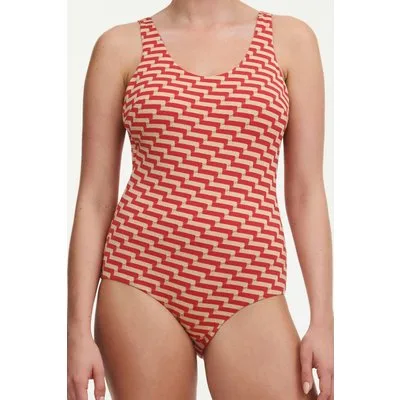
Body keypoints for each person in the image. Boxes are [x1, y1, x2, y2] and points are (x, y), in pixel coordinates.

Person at [67, 1, 334, 399]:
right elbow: (94, 196)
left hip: (251, 282)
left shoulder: (291, 41)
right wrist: (76, 330)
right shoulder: (120, 47)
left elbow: (306, 192)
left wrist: (323, 321)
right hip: (140, 277)